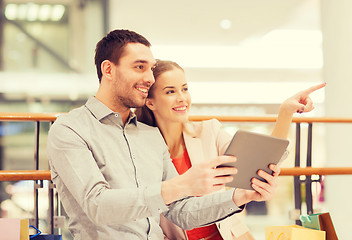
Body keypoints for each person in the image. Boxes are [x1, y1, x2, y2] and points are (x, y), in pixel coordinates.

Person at [47, 29, 282, 240]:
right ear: (108, 69)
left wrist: (241, 196)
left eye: (150, 68)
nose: (149, 78)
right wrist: (181, 184)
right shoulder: (70, 129)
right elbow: (97, 205)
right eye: (139, 67)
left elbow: (180, 212)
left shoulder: (150, 135)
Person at [135, 60, 326, 240]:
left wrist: (285, 113)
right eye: (170, 92)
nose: (182, 98)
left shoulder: (209, 131)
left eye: (185, 89)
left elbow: (260, 161)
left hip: (227, 235)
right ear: (150, 102)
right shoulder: (140, 148)